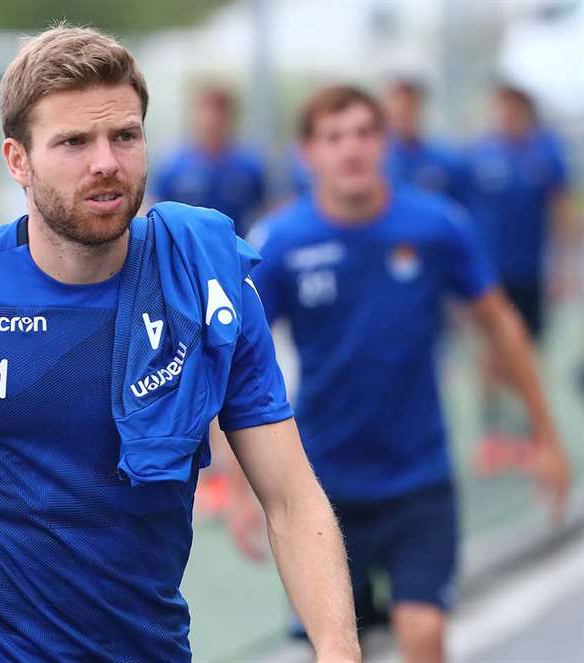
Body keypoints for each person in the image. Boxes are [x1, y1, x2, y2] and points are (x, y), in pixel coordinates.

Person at [0, 25, 359, 662]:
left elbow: (290, 499)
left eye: (125, 136)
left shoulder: (205, 285)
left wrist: (339, 650)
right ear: (18, 159)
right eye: (73, 142)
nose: (106, 163)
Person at [237, 85, 571, 663]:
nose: (352, 149)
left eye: (365, 133)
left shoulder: (435, 226)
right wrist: (243, 484)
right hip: (322, 483)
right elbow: (233, 358)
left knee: (424, 632)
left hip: (419, 477)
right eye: (334, 137)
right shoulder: (281, 242)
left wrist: (547, 437)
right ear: (307, 153)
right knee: (338, 649)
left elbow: (501, 325)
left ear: (384, 144)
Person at [463, 83, 576, 473]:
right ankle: (493, 435)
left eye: (514, 108)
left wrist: (563, 267)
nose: (507, 115)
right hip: (490, 277)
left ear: (526, 111)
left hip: (531, 272)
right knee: (491, 354)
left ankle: (534, 433)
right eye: (502, 107)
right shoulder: (481, 154)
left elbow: (561, 212)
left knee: (531, 352)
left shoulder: (546, 152)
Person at [152, 86, 267, 238]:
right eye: (205, 110)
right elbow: (156, 210)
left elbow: (265, 209)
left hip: (235, 246)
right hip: (186, 248)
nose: (211, 119)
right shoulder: (173, 166)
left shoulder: (249, 165)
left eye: (219, 112)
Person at [381, 78, 467, 202]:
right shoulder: (378, 159)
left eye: (410, 108)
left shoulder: (445, 160)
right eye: (399, 111)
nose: (404, 116)